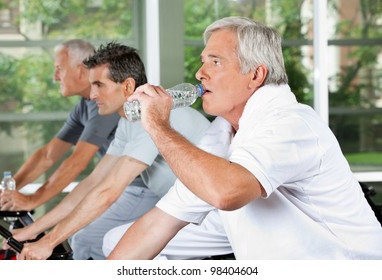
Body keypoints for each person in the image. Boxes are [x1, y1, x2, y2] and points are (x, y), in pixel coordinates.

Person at [105, 16, 382, 260]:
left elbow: (227, 193)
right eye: (203, 62)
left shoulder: (291, 123)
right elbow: (158, 225)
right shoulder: (221, 135)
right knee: (119, 240)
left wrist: (157, 125)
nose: (200, 73)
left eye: (216, 62)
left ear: (256, 75)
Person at [12, 42, 214, 260]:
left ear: (127, 86)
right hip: (186, 213)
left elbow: (108, 191)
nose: (91, 95)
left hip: (213, 215)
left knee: (112, 243)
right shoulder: (128, 121)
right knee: (112, 243)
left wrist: (48, 242)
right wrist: (30, 233)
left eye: (99, 85)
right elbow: (93, 183)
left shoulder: (156, 114)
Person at [0, 39, 120, 212]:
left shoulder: (105, 102)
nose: (55, 77)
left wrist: (33, 200)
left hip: (140, 187)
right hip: (120, 185)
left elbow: (77, 162)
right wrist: (6, 191)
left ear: (81, 70)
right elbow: (47, 155)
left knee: (81, 236)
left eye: (59, 69)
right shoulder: (84, 106)